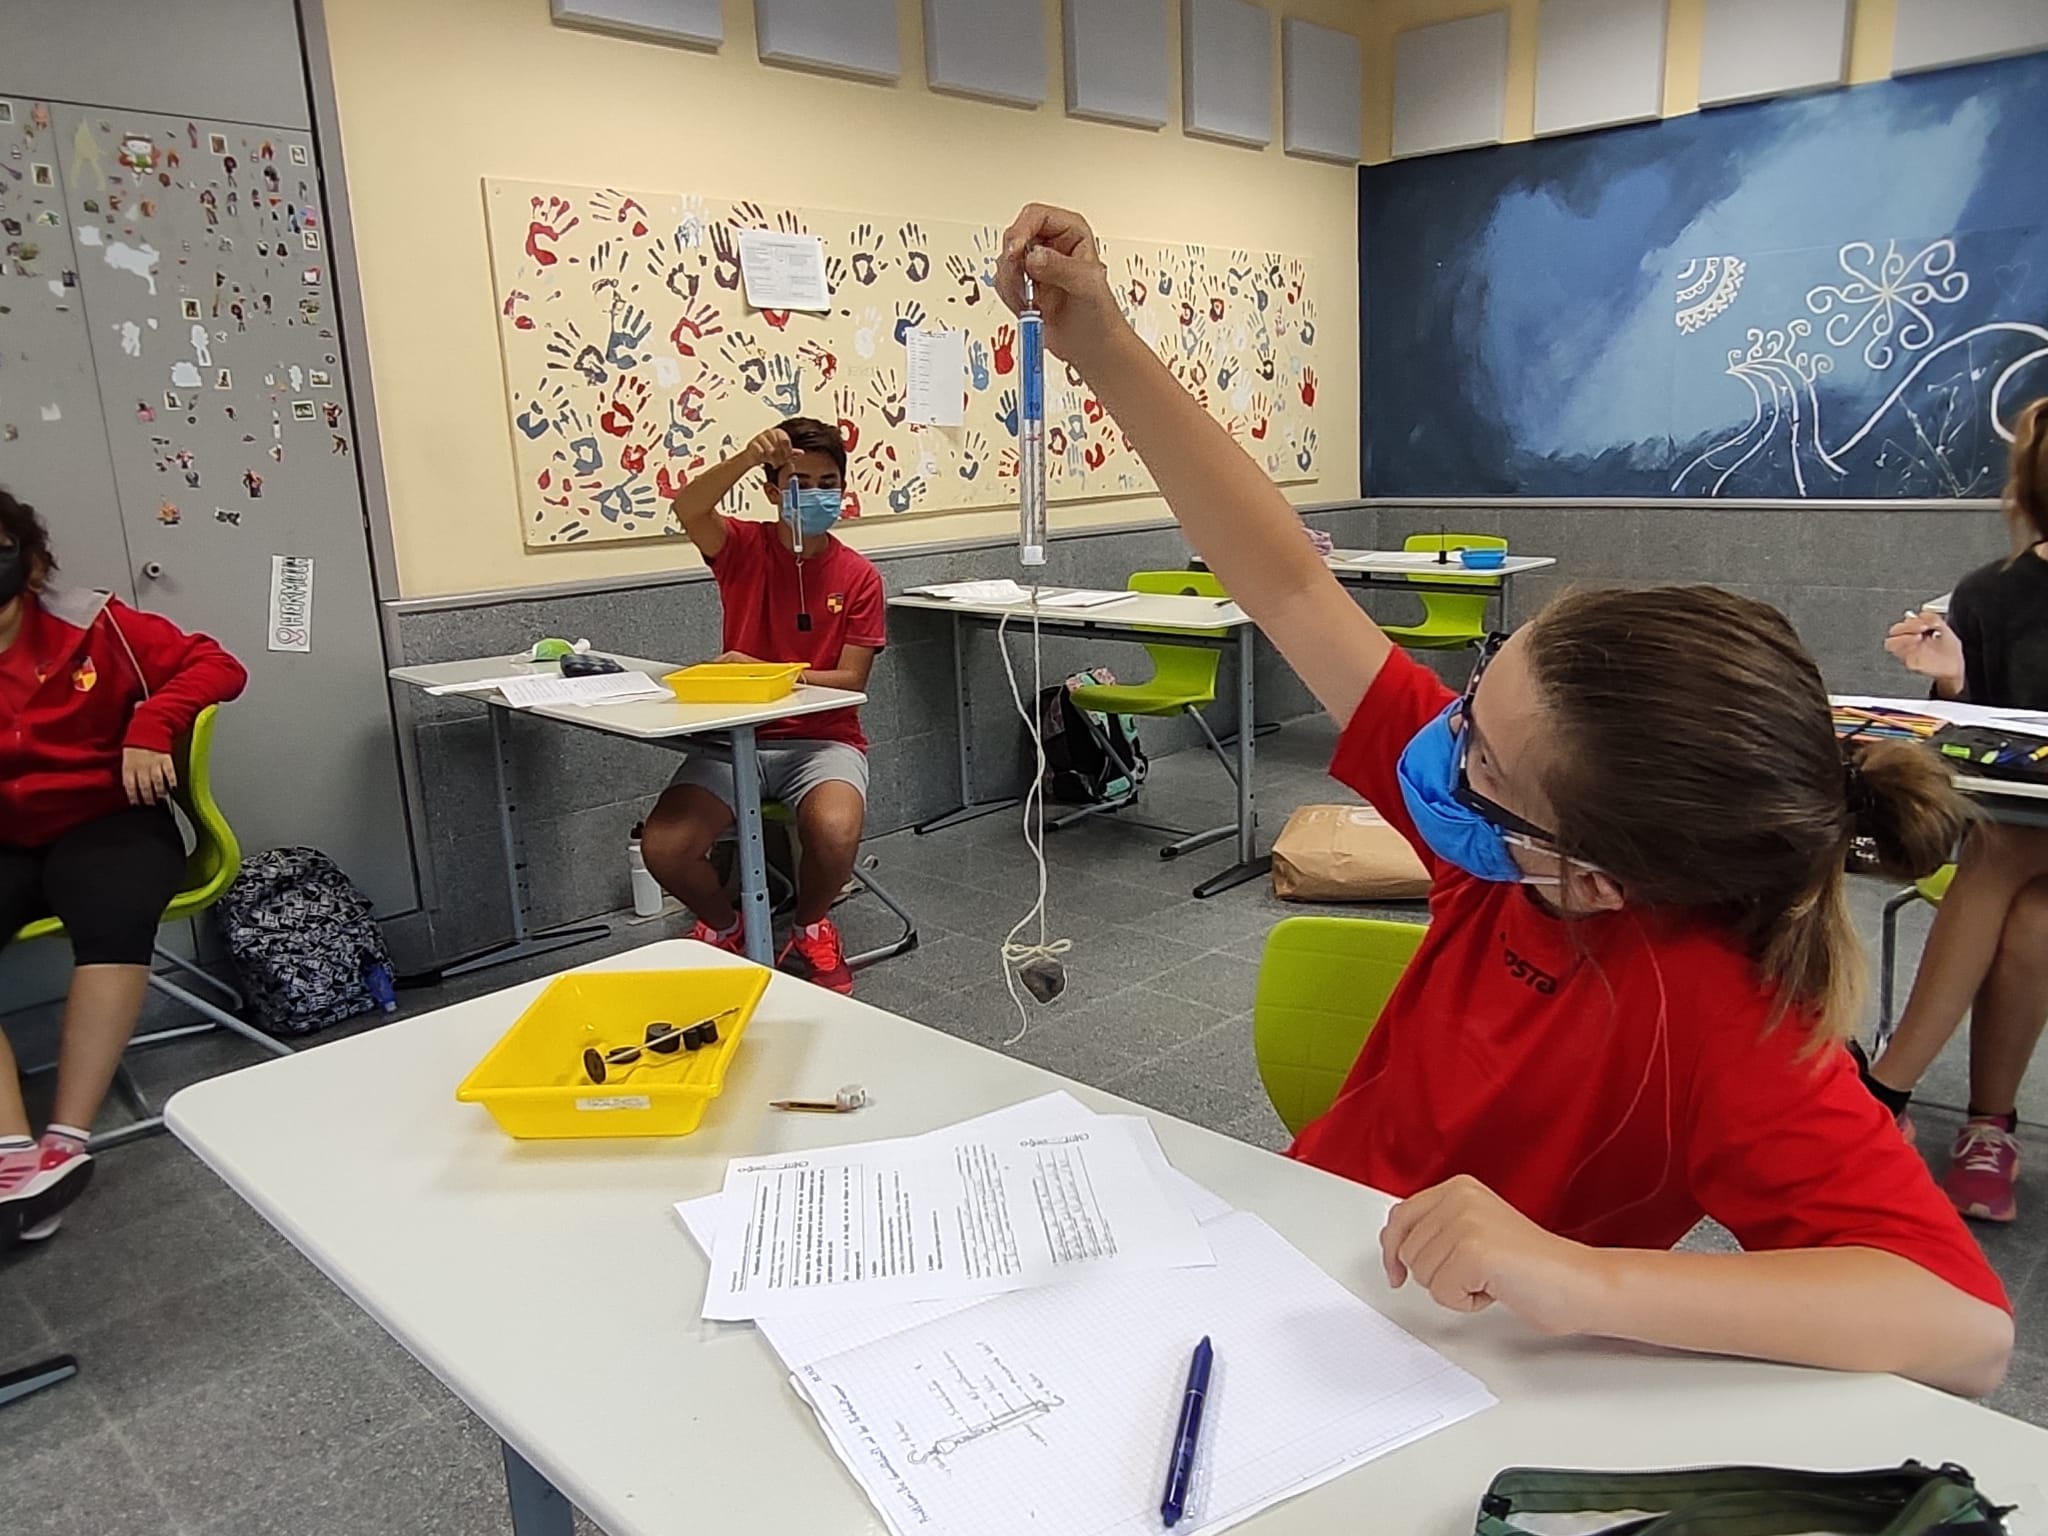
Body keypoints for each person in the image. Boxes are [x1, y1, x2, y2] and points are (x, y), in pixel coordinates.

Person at [992, 204, 2013, 1395]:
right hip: (1297, 1261)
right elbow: (1288, 585)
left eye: (1477, 757)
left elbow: (1966, 1334)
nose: (1442, 744)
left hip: (1443, 1363)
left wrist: (1575, 1276)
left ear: (1598, 875)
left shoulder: (1714, 1011)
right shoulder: (1505, 847)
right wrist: (1102, 342)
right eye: (1474, 697)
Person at [0, 488, 247, 1246]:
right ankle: (10, 1155)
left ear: (31, 563)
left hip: (108, 820)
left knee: (111, 917)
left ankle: (64, 1142)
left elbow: (217, 664)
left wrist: (152, 721)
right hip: (6, 837)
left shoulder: (96, 625)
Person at [1862, 397, 2048, 1223]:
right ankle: (1989, 1128)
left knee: (1999, 857)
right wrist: (1950, 679)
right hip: (2018, 842)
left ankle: (1886, 1089)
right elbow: (1972, 748)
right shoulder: (1991, 596)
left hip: (2004, 852)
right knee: (2033, 917)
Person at [641, 418, 884, 995]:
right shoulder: (741, 549)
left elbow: (850, 679)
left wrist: (764, 671)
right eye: (799, 483)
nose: (816, 494)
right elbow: (687, 508)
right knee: (665, 847)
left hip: (823, 740)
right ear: (773, 491)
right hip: (734, 740)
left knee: (834, 831)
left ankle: (810, 926)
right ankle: (727, 926)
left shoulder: (859, 577)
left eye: (828, 483)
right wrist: (749, 454)